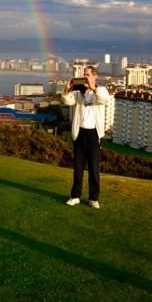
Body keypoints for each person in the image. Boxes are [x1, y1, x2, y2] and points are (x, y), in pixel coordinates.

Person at [62, 65, 110, 208]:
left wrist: (93, 87)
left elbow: (103, 99)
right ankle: (75, 196)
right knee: (78, 168)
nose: (85, 77)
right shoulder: (79, 93)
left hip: (94, 135)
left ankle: (93, 198)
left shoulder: (100, 91)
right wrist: (67, 88)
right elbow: (67, 101)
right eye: (84, 75)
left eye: (88, 74)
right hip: (80, 134)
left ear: (95, 76)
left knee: (94, 168)